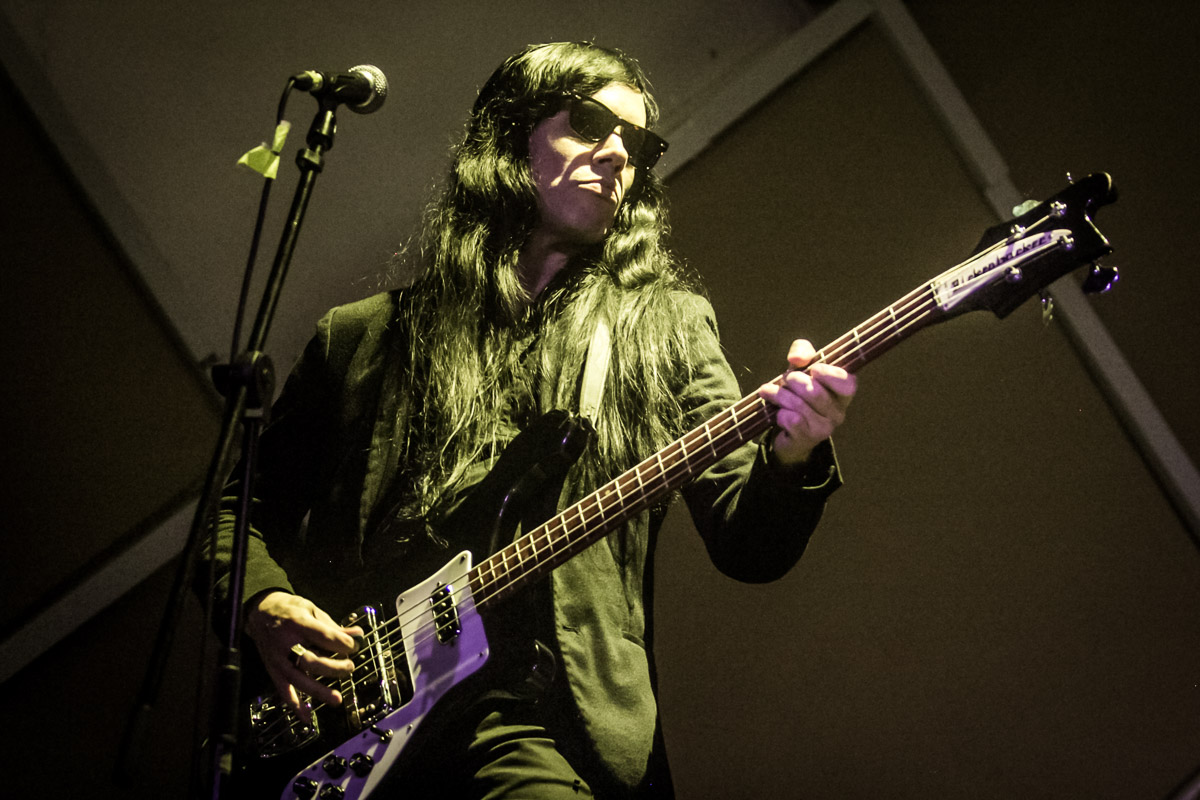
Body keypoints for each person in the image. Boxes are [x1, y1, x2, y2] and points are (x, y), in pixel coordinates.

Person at [204, 41, 856, 799]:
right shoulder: (363, 338)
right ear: (510, 135)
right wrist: (261, 605)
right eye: (590, 124)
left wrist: (795, 451)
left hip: (535, 724)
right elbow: (233, 510)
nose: (619, 154)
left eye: (639, 144)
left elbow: (750, 544)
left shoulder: (665, 329)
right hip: (353, 728)